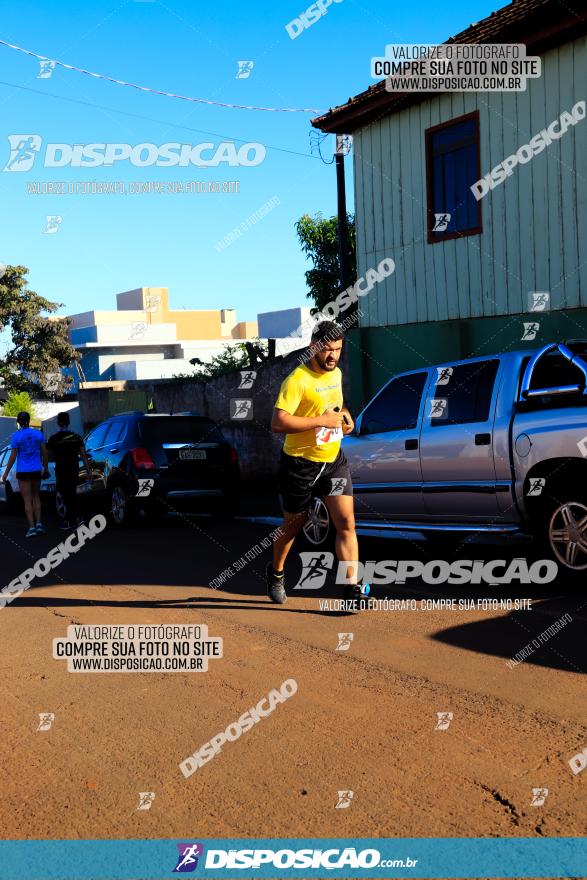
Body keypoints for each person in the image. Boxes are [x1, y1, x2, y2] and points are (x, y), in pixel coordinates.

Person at [267, 321, 370, 607]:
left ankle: (351, 591)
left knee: (346, 522)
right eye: (327, 349)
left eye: (337, 349)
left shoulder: (334, 374)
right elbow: (278, 422)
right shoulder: (297, 380)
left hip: (332, 461)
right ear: (313, 347)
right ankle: (276, 573)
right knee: (292, 526)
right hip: (299, 465)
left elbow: (336, 407)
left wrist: (344, 418)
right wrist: (320, 422)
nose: (333, 355)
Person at [1, 411, 49, 537]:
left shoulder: (16, 436)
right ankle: (39, 524)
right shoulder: (38, 433)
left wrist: (5, 473)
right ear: (29, 420)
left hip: (23, 471)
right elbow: (44, 452)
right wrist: (46, 467)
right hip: (36, 469)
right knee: (36, 497)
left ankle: (32, 528)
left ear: (19, 422)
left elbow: (13, 456)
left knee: (27, 500)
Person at [47, 412, 92, 530]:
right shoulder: (76, 437)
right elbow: (83, 455)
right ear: (69, 422)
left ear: (58, 423)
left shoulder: (54, 438)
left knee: (64, 494)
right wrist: (89, 471)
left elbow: (48, 455)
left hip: (61, 469)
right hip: (73, 468)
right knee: (72, 493)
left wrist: (45, 468)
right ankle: (77, 518)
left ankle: (69, 520)